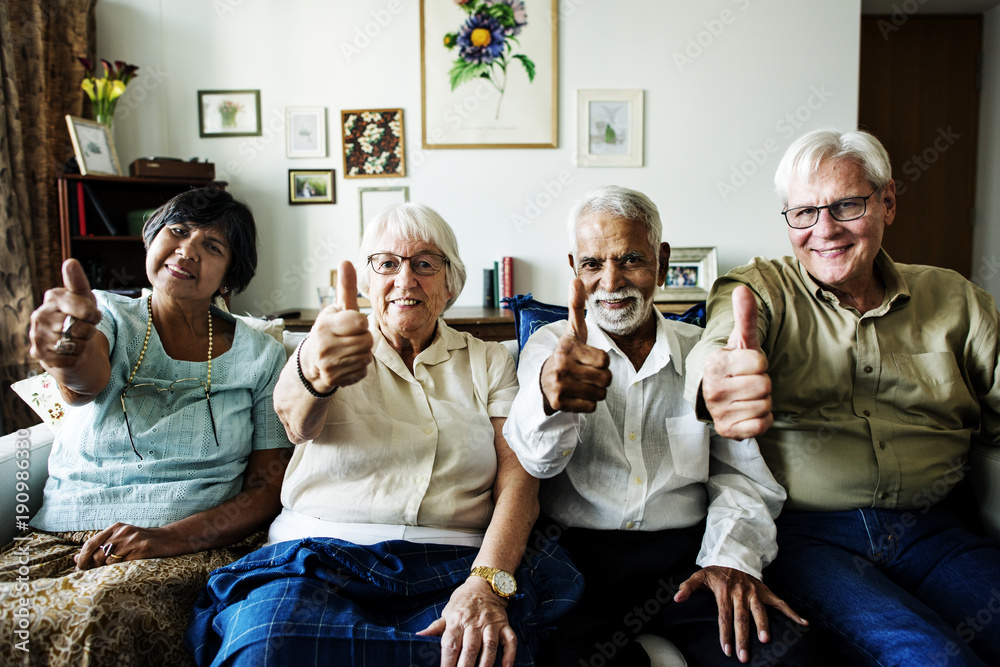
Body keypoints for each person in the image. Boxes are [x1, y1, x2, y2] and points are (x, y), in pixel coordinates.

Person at [185, 203, 580, 667]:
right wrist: (318, 373)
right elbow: (296, 420)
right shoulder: (331, 342)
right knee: (267, 646)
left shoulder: (488, 361)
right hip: (318, 556)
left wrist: (485, 583)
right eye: (387, 264)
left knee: (471, 652)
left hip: (452, 560)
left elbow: (519, 484)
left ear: (451, 283)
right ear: (369, 281)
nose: (406, 279)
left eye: (425, 264)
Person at [685, 129, 1000, 666]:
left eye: (846, 205)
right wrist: (718, 383)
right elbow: (718, 349)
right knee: (932, 658)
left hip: (936, 528)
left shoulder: (955, 299)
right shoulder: (760, 288)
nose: (824, 230)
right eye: (803, 213)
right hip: (811, 538)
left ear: (889, 202)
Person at [503, 186, 829, 667]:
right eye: (593, 264)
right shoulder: (550, 348)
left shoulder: (704, 353)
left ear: (662, 259)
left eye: (630, 259)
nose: (611, 282)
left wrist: (728, 558)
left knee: (793, 658)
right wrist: (553, 399)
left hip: (686, 558)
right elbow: (536, 459)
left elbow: (742, 477)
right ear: (574, 267)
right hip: (574, 561)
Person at [0, 187, 293, 665]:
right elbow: (84, 383)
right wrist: (66, 352)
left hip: (188, 544)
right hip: (59, 537)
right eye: (177, 231)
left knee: (98, 618)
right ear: (152, 239)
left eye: (212, 246)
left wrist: (171, 537)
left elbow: (267, 485)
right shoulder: (107, 314)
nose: (188, 249)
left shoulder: (260, 355)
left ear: (229, 275)